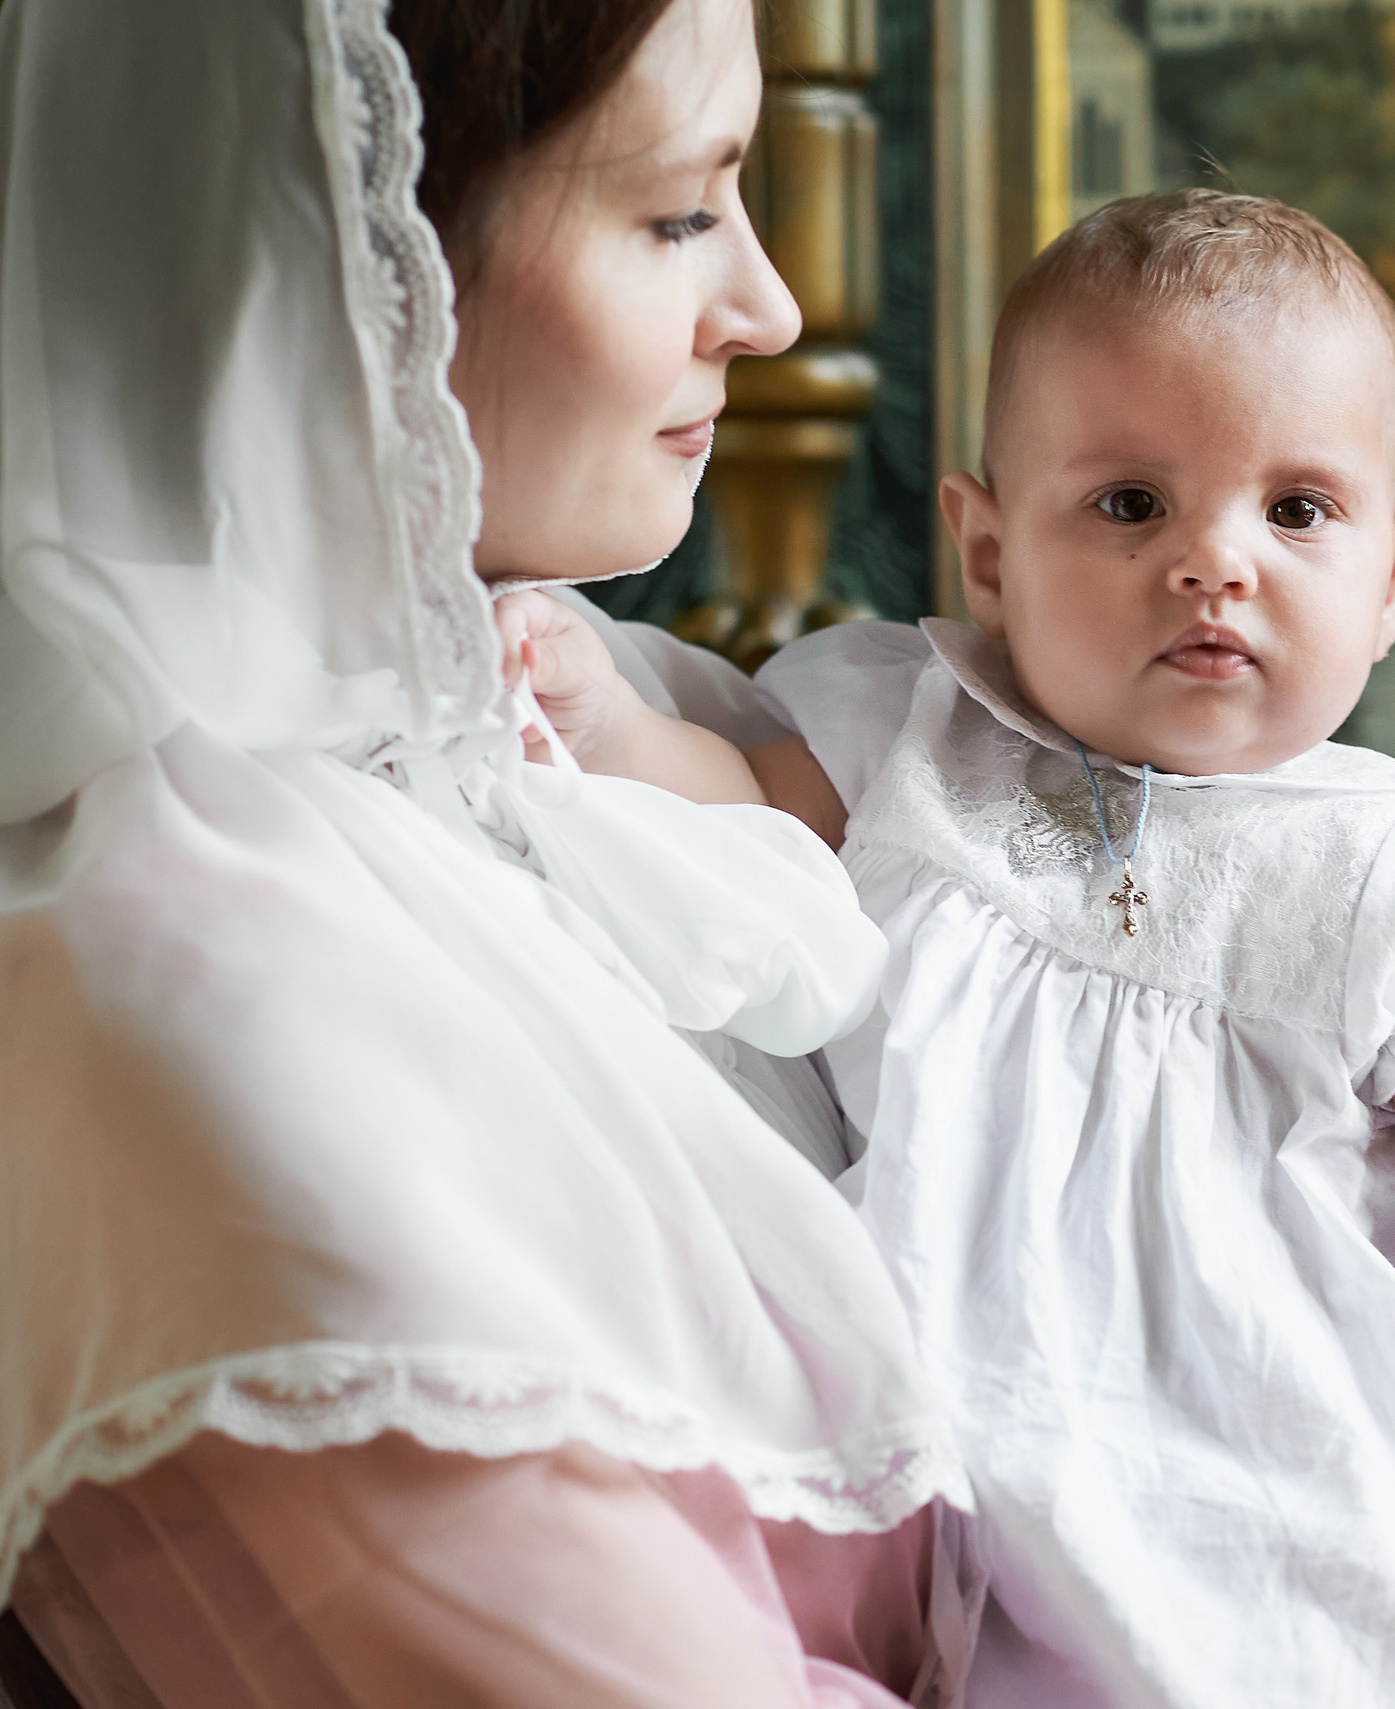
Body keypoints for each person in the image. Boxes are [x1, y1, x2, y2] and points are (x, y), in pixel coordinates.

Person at [505, 189, 1395, 1709]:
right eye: (1133, 503)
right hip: (987, 1477)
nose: (1218, 561)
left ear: (1392, 575)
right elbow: (741, 815)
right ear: (992, 550)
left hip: (1310, 1506)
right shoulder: (913, 748)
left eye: (1297, 510)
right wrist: (602, 718)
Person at [0, 1, 971, 1703]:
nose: (771, 309)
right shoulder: (190, 970)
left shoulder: (616, 722)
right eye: (682, 211)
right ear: (327, 239)